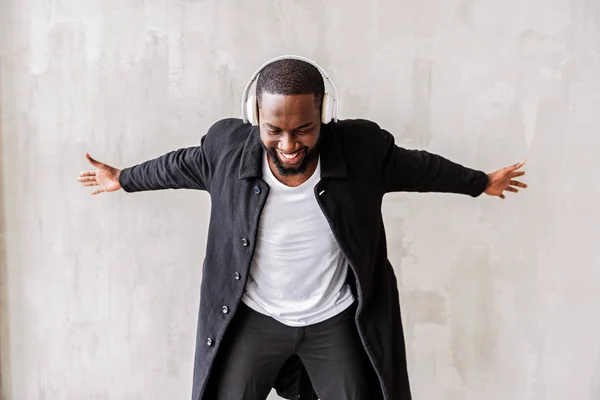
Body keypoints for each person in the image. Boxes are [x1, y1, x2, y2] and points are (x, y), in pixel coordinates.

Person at [78, 56, 527, 400]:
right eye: (274, 130)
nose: (289, 144)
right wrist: (122, 178)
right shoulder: (226, 151)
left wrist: (479, 182)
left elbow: (422, 169)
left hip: (334, 317)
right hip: (255, 316)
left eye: (304, 129)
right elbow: (177, 165)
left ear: (325, 113)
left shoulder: (362, 150)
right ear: (255, 115)